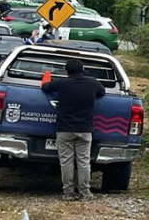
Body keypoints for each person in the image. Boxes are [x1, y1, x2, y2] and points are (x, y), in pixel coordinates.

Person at [42, 59, 106, 201]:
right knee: (83, 161)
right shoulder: (92, 83)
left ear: (67, 71)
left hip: (65, 129)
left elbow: (45, 87)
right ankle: (85, 192)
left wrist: (46, 77)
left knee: (66, 162)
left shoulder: (61, 83)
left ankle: (68, 193)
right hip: (84, 129)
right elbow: (102, 91)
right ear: (83, 69)